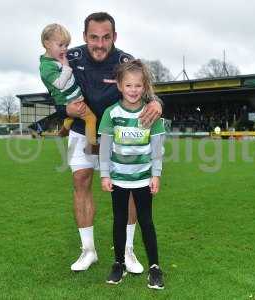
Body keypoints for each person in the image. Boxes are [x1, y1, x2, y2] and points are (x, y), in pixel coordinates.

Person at [55, 12, 163, 273]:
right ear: (84, 37)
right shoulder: (71, 59)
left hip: (118, 133)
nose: (100, 44)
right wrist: (65, 110)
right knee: (80, 180)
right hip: (82, 130)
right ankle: (88, 250)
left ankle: (127, 251)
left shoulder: (124, 61)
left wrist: (158, 104)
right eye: (94, 38)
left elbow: (146, 92)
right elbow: (56, 95)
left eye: (106, 38)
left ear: (114, 37)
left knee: (130, 184)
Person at [99, 59, 165, 289]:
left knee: (146, 221)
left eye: (138, 85)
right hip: (118, 178)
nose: (133, 90)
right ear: (119, 86)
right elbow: (105, 148)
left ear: (144, 86)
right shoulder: (111, 113)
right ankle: (118, 264)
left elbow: (157, 149)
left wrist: (156, 175)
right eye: (128, 85)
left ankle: (155, 268)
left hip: (143, 178)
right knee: (119, 220)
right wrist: (105, 175)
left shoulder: (151, 114)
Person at [39, 23, 97, 148]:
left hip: (73, 96)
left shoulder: (54, 59)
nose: (64, 49)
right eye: (60, 45)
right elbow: (60, 84)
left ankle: (63, 131)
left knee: (72, 117)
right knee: (91, 118)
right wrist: (66, 67)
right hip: (69, 100)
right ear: (47, 44)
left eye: (66, 45)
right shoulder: (46, 67)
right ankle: (92, 146)